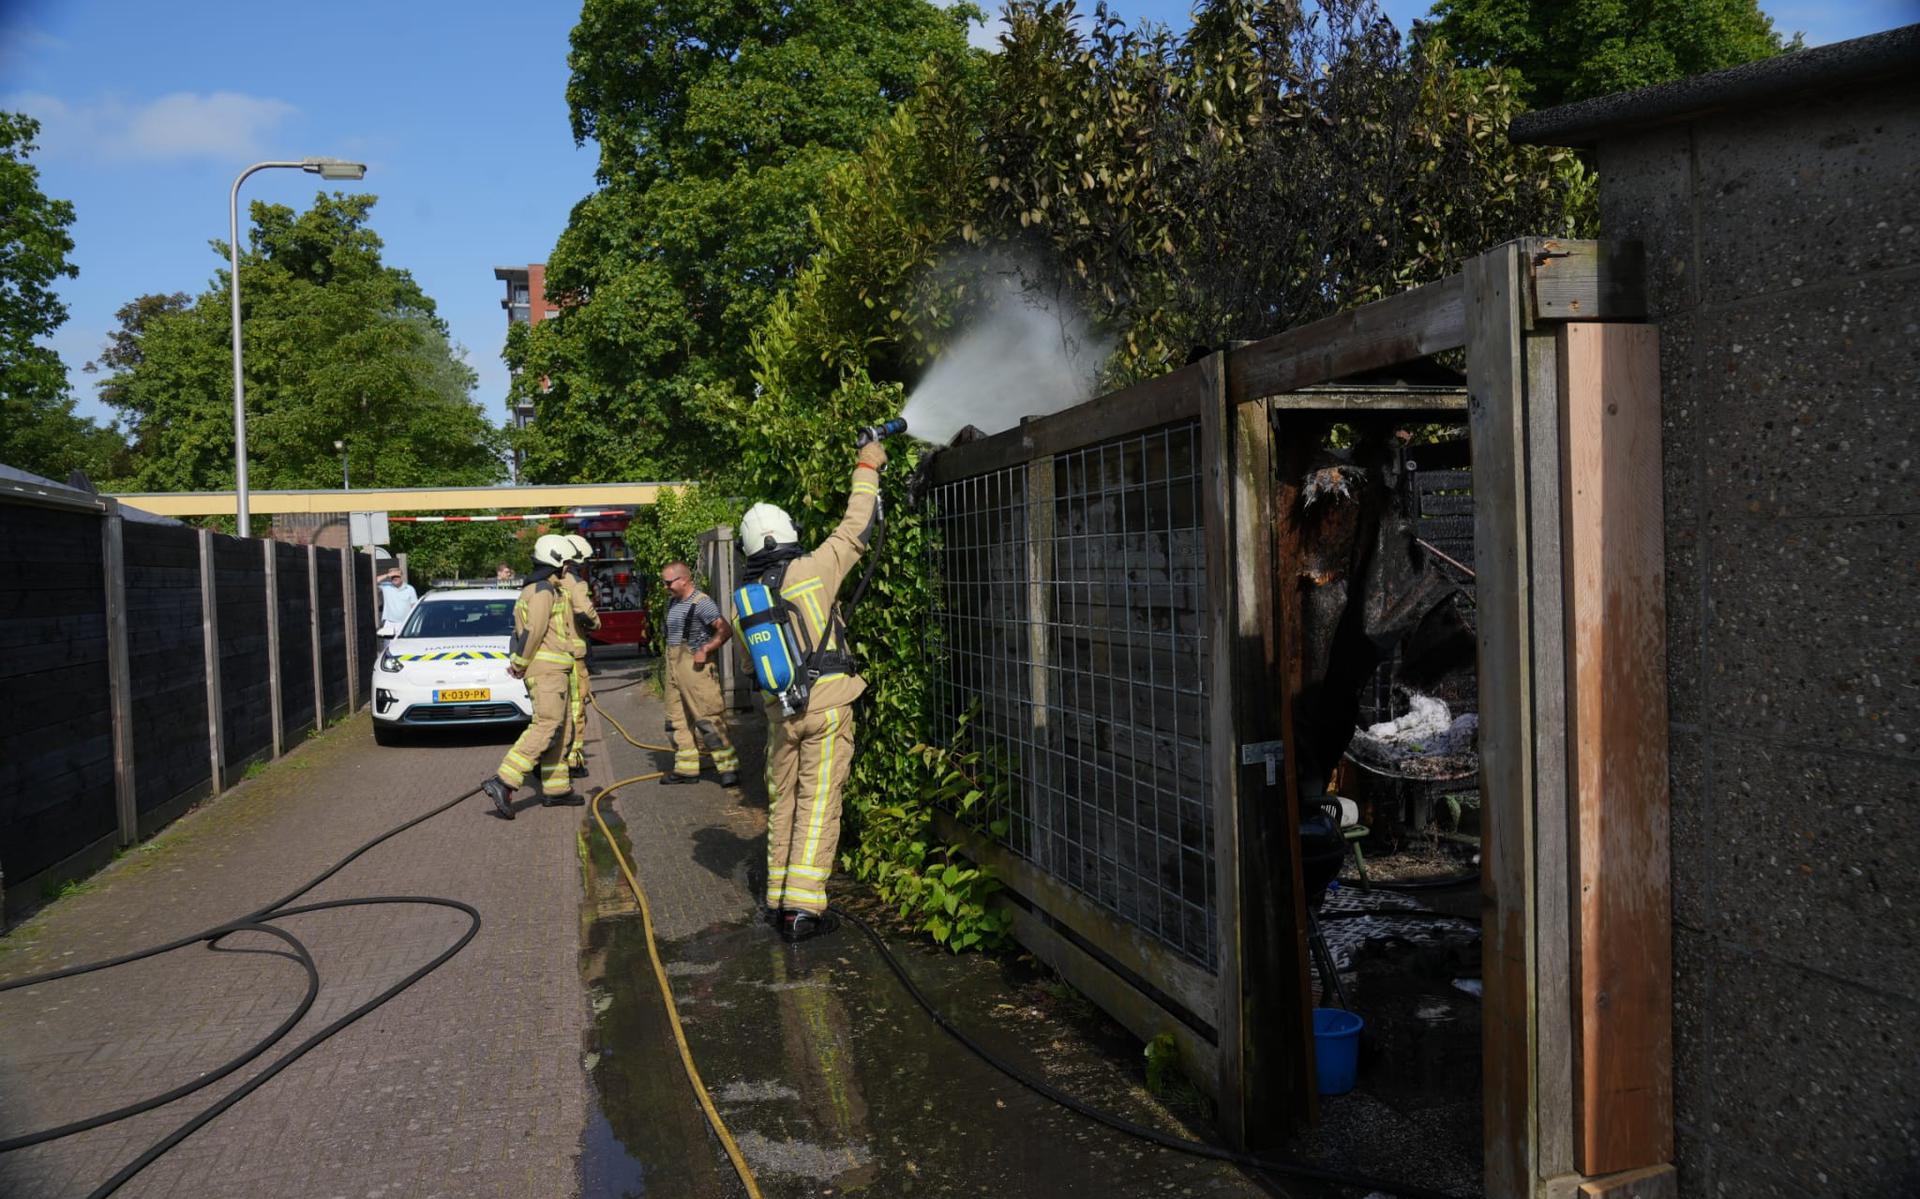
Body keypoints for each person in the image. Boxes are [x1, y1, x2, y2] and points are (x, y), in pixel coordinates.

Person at [737, 437, 886, 942]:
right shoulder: (814, 570)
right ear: (788, 534)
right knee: (819, 802)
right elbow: (856, 526)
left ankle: (778, 898)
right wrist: (867, 464)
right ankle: (803, 912)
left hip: (781, 715)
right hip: (826, 708)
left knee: (783, 803)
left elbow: (751, 664)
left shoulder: (746, 601)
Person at [481, 534, 583, 819]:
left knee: (560, 729)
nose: (568, 569)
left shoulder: (547, 589)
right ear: (555, 562)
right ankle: (503, 781)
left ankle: (556, 788)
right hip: (547, 671)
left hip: (555, 670)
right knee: (546, 725)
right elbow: (534, 631)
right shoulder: (542, 591)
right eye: (566, 564)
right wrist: (520, 663)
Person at [658, 560, 739, 787]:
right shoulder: (673, 603)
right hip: (674, 667)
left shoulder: (702, 603)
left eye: (668, 582)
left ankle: (729, 768)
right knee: (676, 720)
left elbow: (724, 629)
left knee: (708, 718)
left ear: (683, 579)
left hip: (695, 668)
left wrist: (705, 649)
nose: (666, 587)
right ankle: (686, 769)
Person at [561, 534, 601, 776]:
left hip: (547, 659)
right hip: (574, 658)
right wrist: (596, 623)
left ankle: (551, 757)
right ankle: (574, 759)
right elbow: (586, 613)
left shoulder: (540, 583)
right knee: (577, 708)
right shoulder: (575, 583)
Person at [377, 566, 419, 635]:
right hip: (389, 623)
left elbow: (413, 606)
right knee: (388, 645)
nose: (395, 578)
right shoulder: (386, 586)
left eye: (397, 576)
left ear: (401, 577)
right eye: (393, 577)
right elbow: (373, 580)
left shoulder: (410, 589)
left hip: (405, 623)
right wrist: (387, 575)